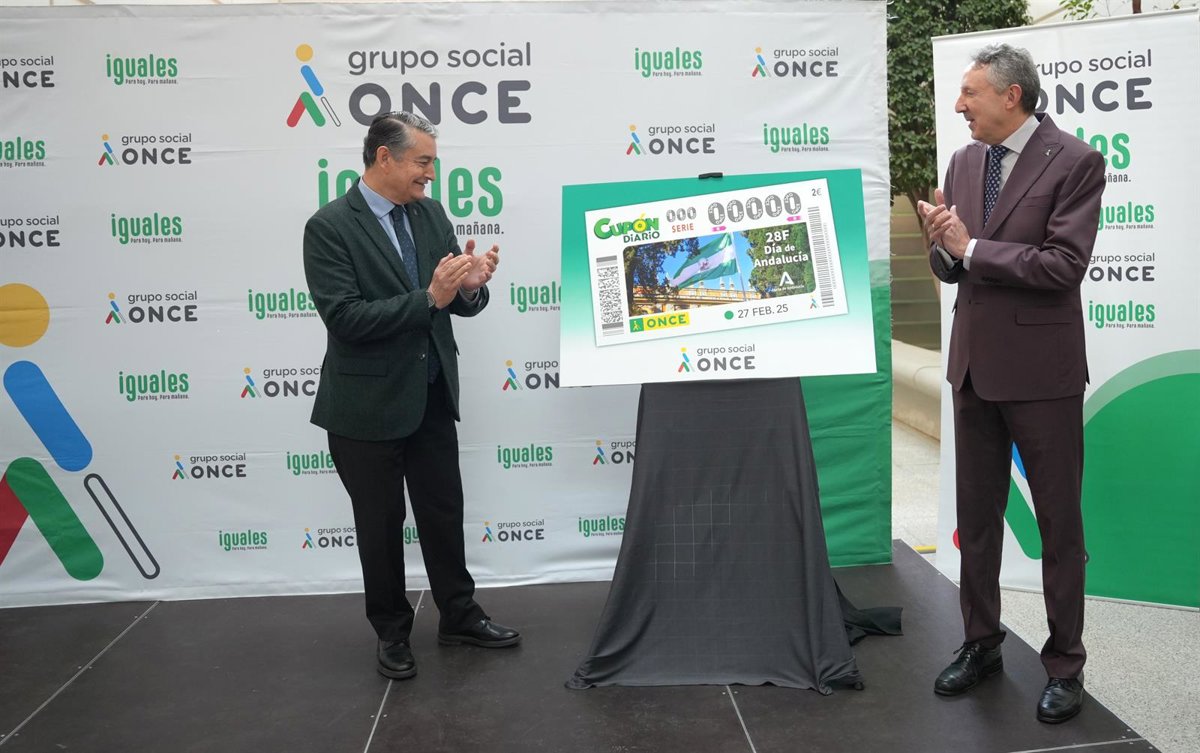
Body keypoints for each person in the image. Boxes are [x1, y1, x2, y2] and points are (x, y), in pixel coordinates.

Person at [919, 44, 1105, 724]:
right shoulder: (965, 161)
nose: (959, 105)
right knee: (976, 519)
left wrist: (969, 248)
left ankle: (1065, 665)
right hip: (973, 368)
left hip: (1041, 375)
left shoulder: (1076, 162)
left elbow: (1062, 265)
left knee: (1058, 523)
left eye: (969, 93)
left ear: (1011, 96)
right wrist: (943, 246)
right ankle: (981, 644)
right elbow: (952, 265)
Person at [303, 111, 519, 681]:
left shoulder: (432, 214)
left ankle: (459, 615)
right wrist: (429, 298)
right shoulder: (329, 227)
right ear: (384, 157)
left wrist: (469, 289)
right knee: (379, 526)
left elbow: (453, 301)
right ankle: (392, 633)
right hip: (365, 408)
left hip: (430, 395)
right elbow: (345, 318)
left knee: (444, 512)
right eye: (422, 162)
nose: (430, 173)